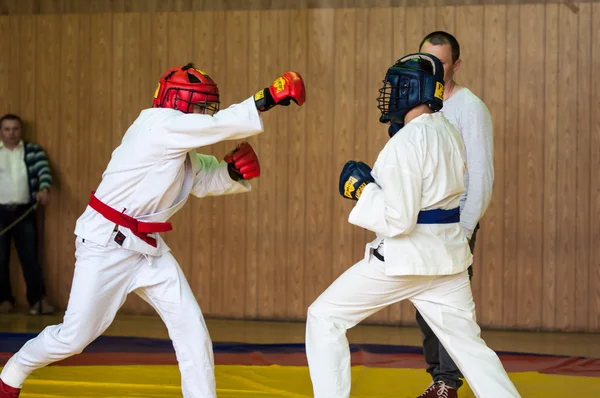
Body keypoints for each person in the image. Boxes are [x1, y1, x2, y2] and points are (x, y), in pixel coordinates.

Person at [0, 63, 306, 398]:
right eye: (200, 106)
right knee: (74, 337)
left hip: (147, 249)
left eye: (207, 108)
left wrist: (232, 172)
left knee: (191, 329)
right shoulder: (157, 126)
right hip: (106, 244)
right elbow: (219, 126)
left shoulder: (178, 147)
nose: (204, 114)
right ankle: (13, 371)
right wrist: (267, 98)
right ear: (178, 102)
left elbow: (202, 178)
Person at [304, 53, 518, 398]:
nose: (389, 93)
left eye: (394, 86)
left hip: (405, 260)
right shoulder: (448, 129)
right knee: (471, 350)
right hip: (448, 260)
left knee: (323, 317)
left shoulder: (403, 143)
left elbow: (398, 219)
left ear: (410, 90)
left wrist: (363, 190)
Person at [414, 31, 494, 398]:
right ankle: (438, 378)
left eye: (440, 62)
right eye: (425, 59)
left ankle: (448, 382)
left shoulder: (470, 108)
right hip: (420, 220)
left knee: (449, 303)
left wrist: (464, 228)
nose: (431, 67)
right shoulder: (416, 104)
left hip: (454, 222)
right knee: (424, 301)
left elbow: (480, 174)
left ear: (456, 65)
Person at [0, 114, 54, 316]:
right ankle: (4, 300)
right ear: (1, 131)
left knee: (30, 257)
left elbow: (44, 171)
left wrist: (44, 188)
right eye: (7, 129)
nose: (11, 133)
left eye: (15, 129)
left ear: (20, 131)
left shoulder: (33, 151)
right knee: (0, 259)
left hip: (24, 211)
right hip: (0, 212)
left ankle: (37, 301)